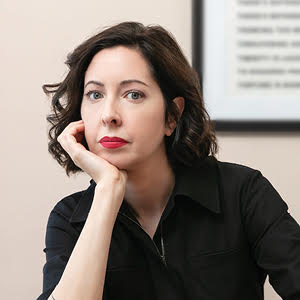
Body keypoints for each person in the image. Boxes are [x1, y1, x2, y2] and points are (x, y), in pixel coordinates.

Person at [37, 21, 300, 300]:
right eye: (95, 94)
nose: (108, 114)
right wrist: (107, 191)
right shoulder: (68, 219)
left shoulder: (243, 192)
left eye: (133, 94)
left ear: (172, 115)